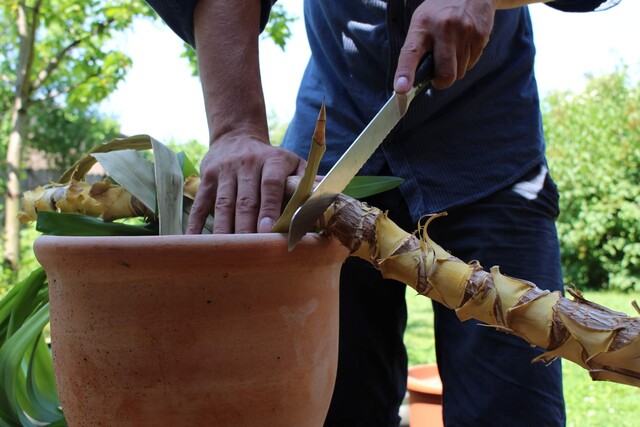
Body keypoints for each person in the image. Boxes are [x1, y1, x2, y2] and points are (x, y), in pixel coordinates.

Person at [145, 0, 616, 425]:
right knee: (328, 404)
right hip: (332, 151)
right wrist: (235, 127)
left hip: (490, 153)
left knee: (513, 412)